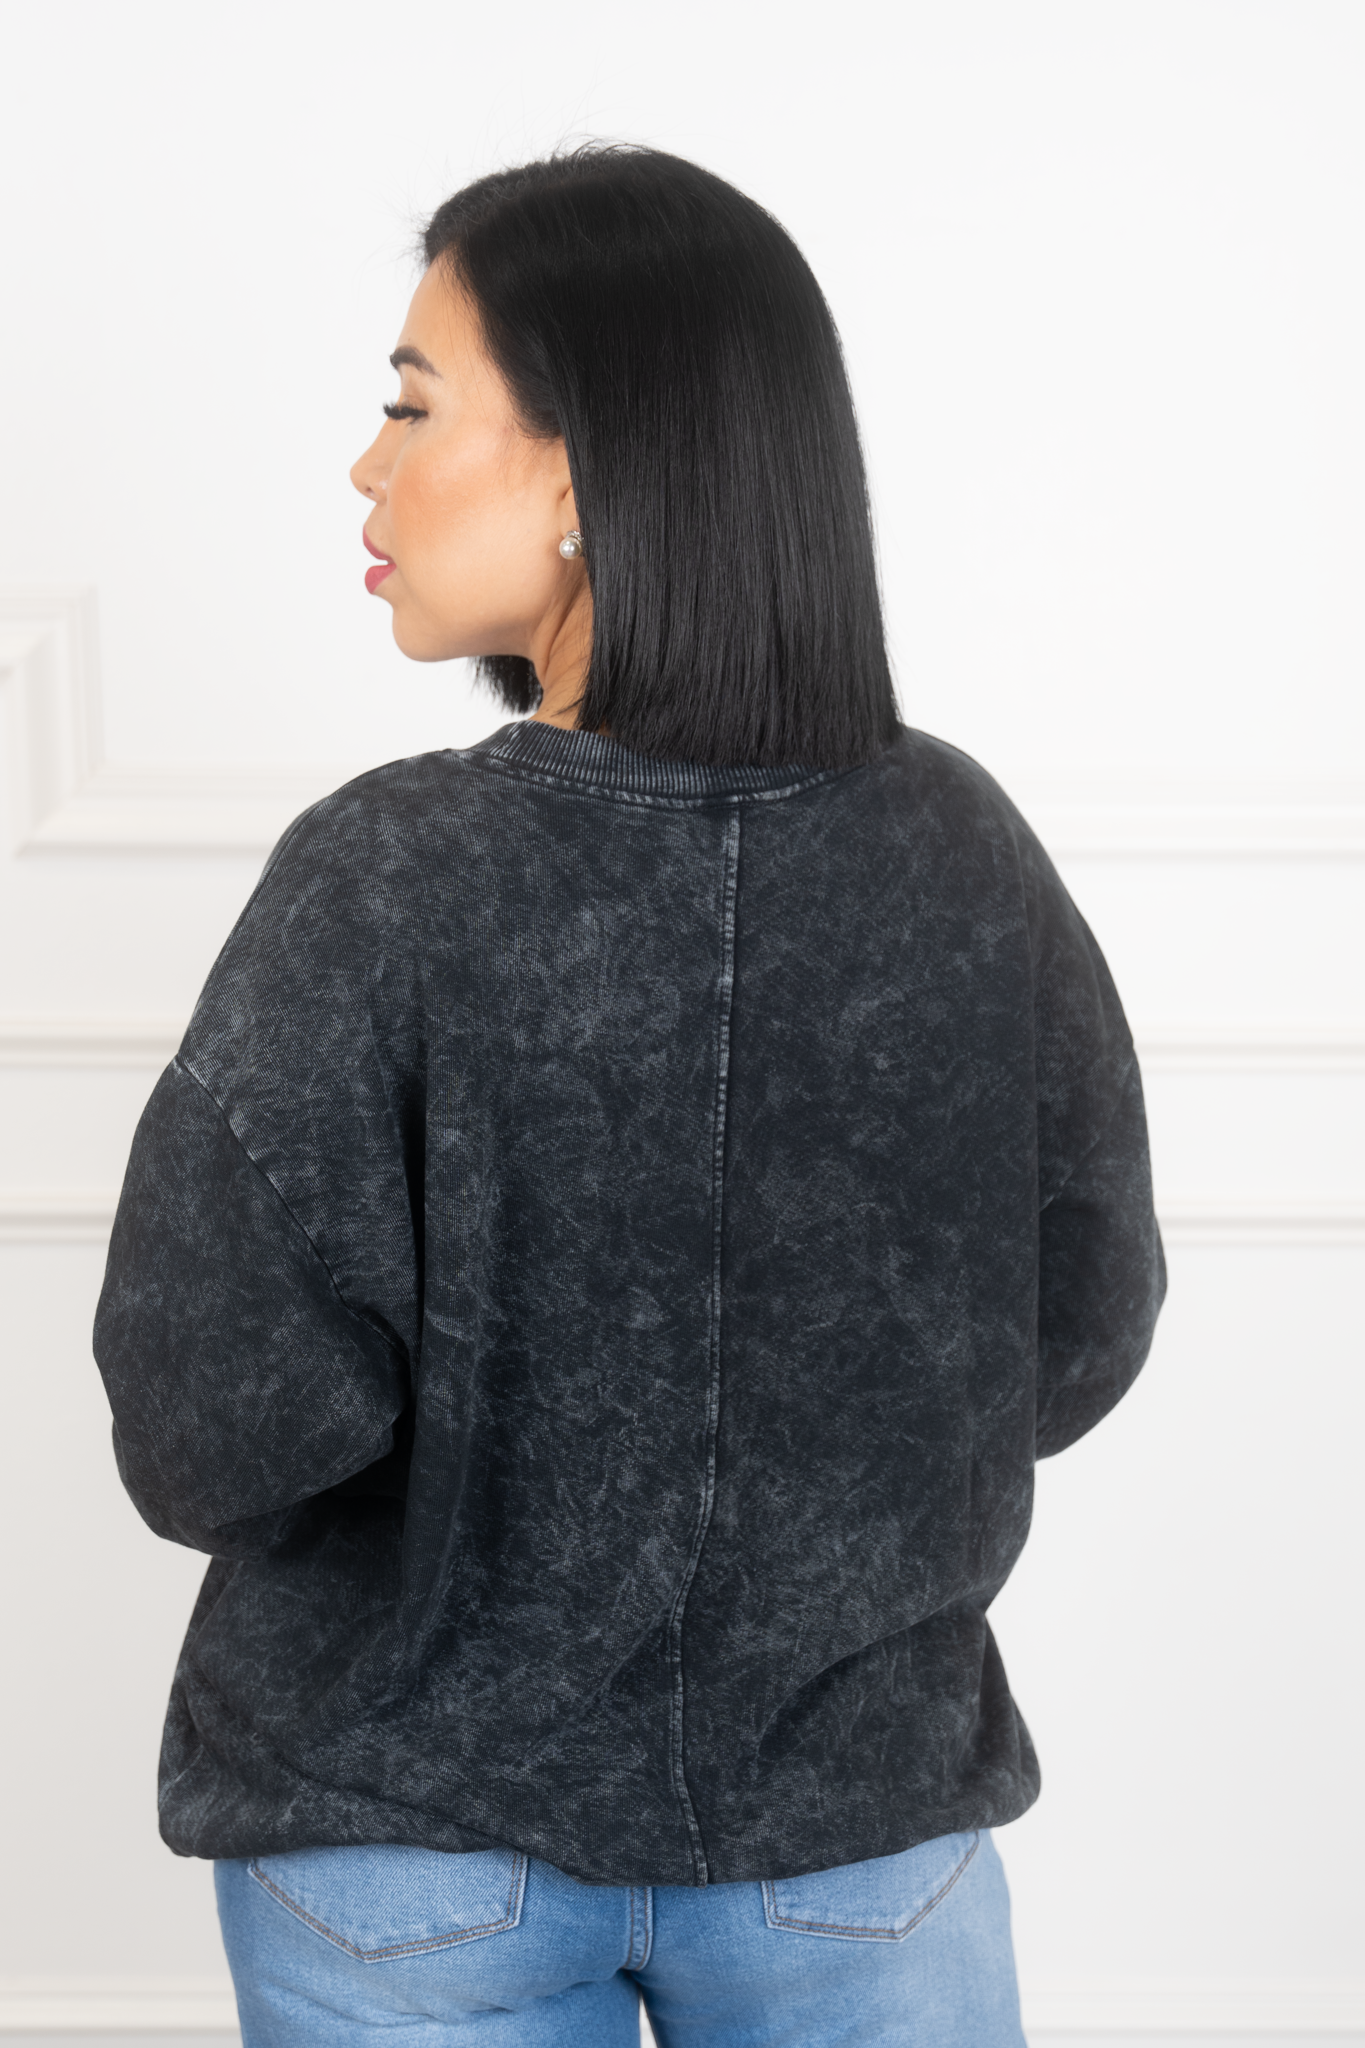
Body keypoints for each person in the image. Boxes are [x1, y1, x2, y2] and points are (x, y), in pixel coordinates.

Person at [93, 145, 1166, 2046]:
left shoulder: (389, 876)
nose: (366, 469)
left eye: (414, 406)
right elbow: (1077, 1325)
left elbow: (210, 1426)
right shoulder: (961, 853)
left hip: (410, 1843)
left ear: (589, 471)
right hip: (854, 1835)